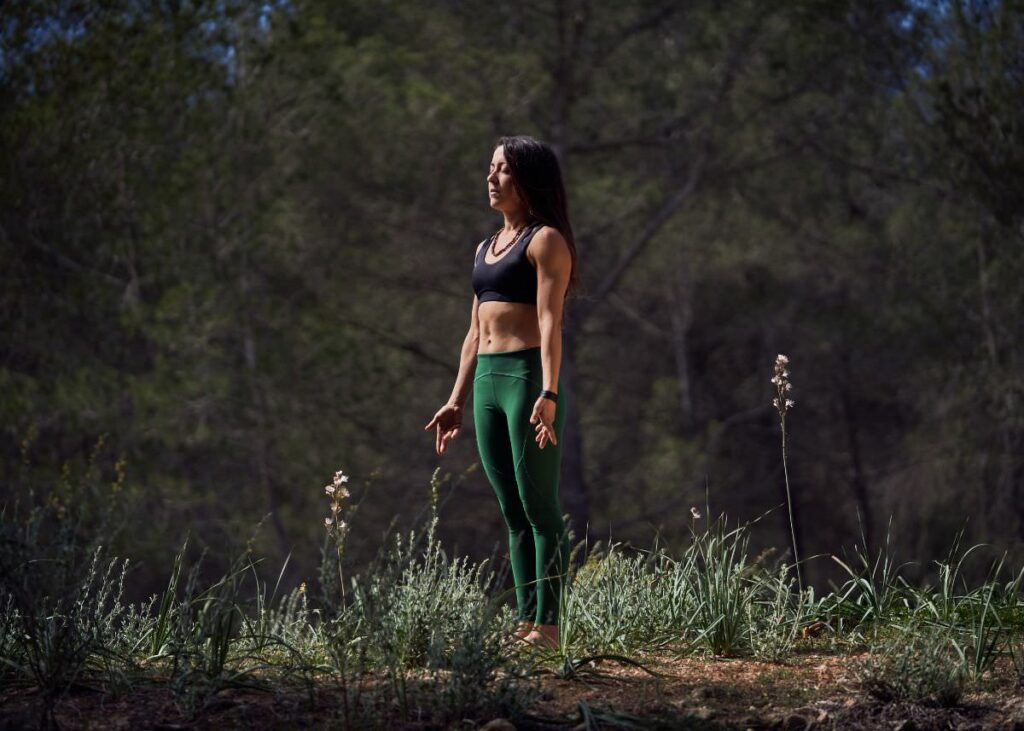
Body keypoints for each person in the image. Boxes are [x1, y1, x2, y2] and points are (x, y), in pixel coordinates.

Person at [424, 135, 580, 650]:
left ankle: (550, 629)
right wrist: (455, 400)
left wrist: (550, 391)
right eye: (490, 168)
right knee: (512, 510)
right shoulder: (484, 247)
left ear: (528, 179)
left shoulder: (545, 241)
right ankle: (525, 623)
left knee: (540, 506)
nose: (492, 178)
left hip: (527, 378)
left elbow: (550, 320)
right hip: (488, 381)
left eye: (503, 170)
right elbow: (474, 332)